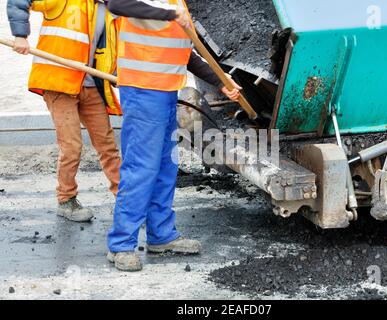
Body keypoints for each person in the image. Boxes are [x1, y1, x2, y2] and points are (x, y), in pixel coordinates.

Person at [106, 0, 242, 271]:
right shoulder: (164, 5)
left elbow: (186, 53)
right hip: (143, 91)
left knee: (166, 167)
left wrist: (221, 81)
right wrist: (168, 14)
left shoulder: (176, 2)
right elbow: (116, 4)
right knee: (141, 168)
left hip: (167, 92)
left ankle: (161, 235)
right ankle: (121, 244)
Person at [7, 0, 122, 222]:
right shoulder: (63, 1)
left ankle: (125, 197)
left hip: (91, 85)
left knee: (107, 144)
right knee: (71, 146)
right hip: (59, 84)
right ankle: (66, 199)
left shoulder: (112, 11)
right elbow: (19, 1)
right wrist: (20, 35)